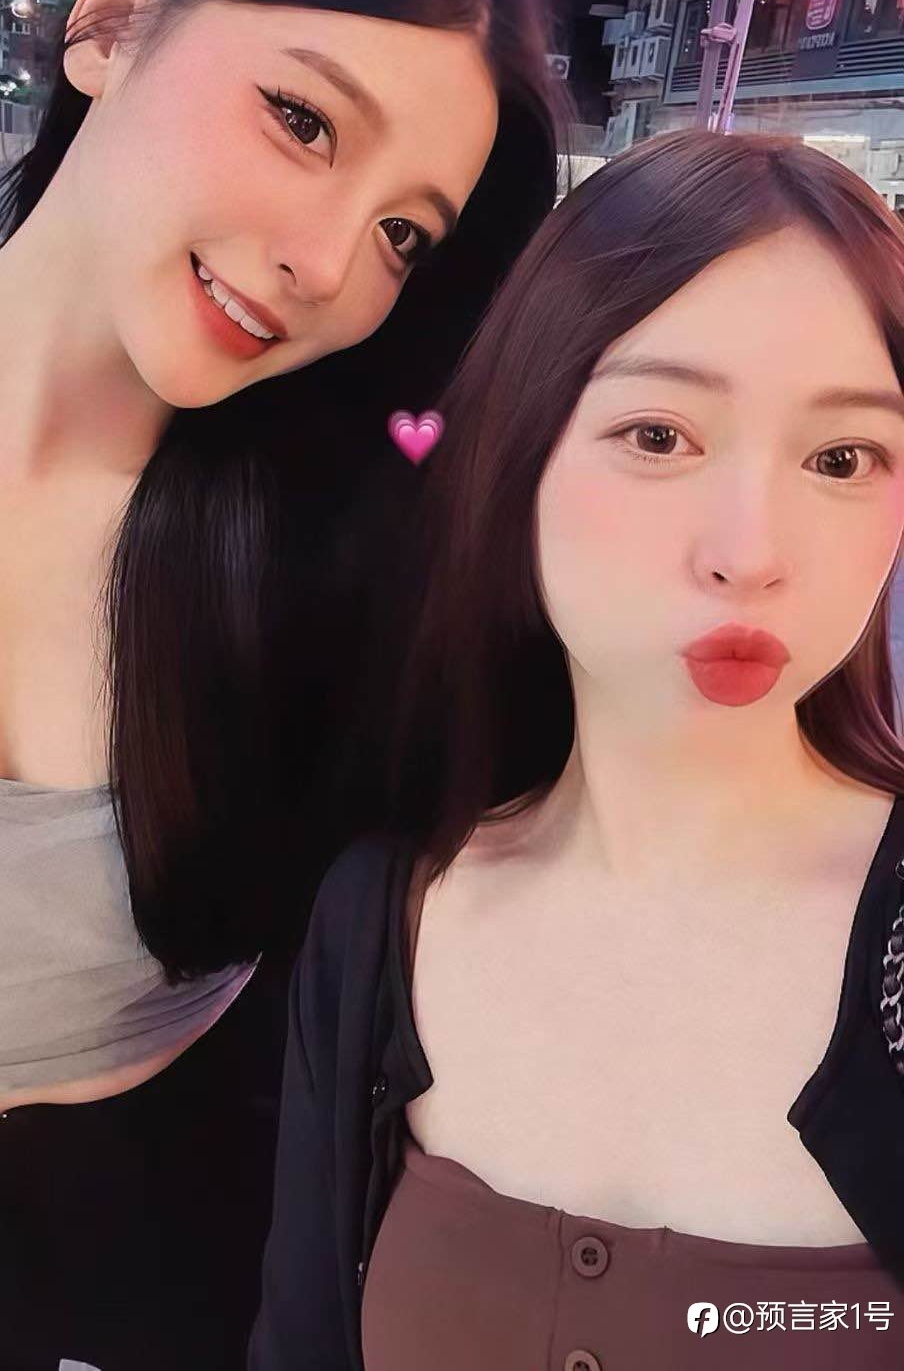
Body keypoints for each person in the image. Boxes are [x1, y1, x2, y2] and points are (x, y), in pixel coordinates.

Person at [0, 0, 562, 1371]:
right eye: (304, 119)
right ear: (112, 21)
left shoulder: (344, 578)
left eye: (403, 235)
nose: (327, 264)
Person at [250, 127, 904, 1371]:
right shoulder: (384, 922)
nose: (749, 552)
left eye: (840, 457)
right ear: (519, 453)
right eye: (658, 435)